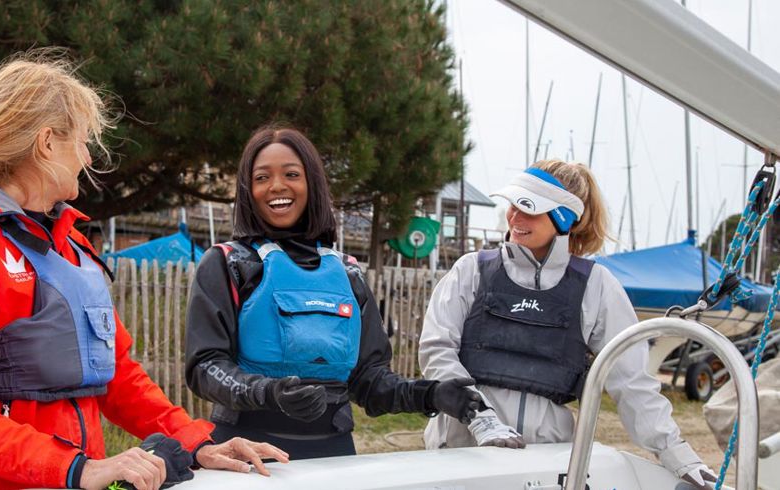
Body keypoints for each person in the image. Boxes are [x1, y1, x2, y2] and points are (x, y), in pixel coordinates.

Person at [0, 50, 286, 490]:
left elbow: (116, 375)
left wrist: (197, 442)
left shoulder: (71, 246)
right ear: (46, 144)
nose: (87, 157)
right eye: (82, 141)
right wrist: (78, 468)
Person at [185, 126, 482, 460]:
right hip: (249, 455)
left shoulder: (347, 272)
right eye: (262, 177)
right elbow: (204, 367)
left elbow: (368, 380)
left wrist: (429, 395)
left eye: (291, 174)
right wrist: (268, 392)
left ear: (312, 183)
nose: (277, 186)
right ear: (247, 189)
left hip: (335, 457)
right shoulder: (228, 264)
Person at [418, 159, 718, 488]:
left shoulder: (596, 286)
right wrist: (479, 417)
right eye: (513, 205)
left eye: (529, 209)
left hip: (544, 464)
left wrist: (678, 455)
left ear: (562, 217)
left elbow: (632, 383)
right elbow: (436, 349)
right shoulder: (471, 270)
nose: (514, 218)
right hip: (460, 454)